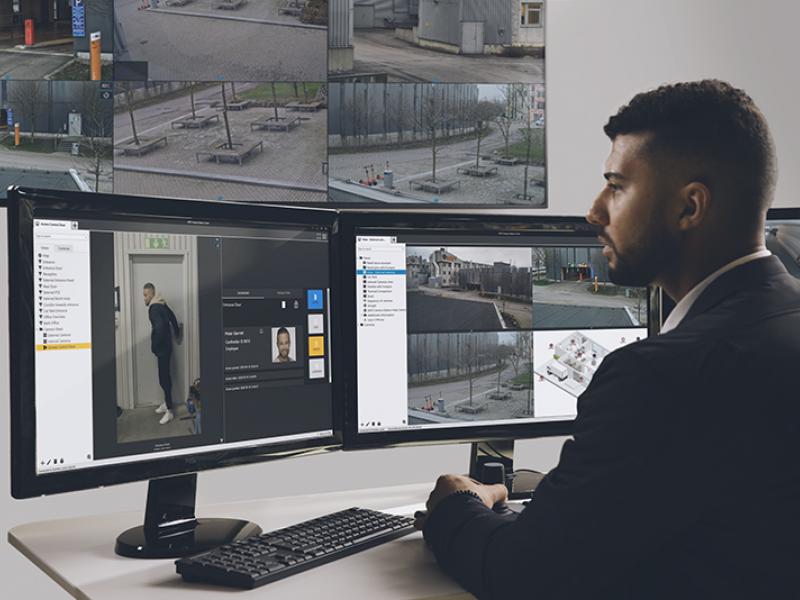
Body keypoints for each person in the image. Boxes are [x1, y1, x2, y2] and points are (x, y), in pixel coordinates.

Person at [416, 80, 800, 599]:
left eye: (617, 187)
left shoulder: (660, 375)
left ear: (690, 208)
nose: (595, 212)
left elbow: (520, 576)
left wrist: (454, 505)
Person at [143, 283, 181, 425]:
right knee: (165, 377)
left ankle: (170, 411)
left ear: (152, 294)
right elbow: (172, 316)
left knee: (163, 379)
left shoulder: (153, 308)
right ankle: (167, 403)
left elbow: (159, 328)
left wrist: (154, 347)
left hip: (162, 349)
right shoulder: (161, 304)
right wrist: (176, 332)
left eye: (146, 295)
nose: (144, 298)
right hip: (167, 347)